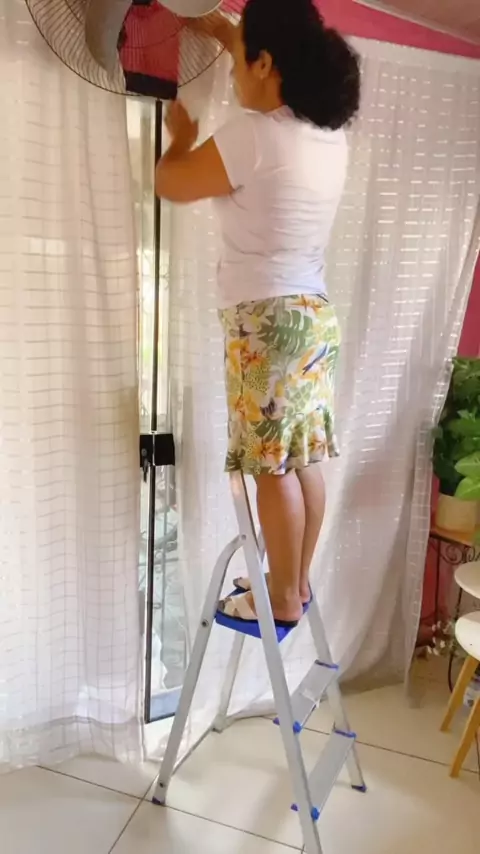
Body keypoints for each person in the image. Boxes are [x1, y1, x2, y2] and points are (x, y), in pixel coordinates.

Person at [156, 0, 361, 629]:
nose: (234, 70)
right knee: (303, 458)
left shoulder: (251, 135)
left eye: (241, 56)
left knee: (272, 469)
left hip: (265, 326)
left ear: (267, 64)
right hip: (312, 318)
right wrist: (228, 31)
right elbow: (265, 73)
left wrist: (181, 140)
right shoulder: (327, 136)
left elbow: (172, 184)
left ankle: (283, 597)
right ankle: (293, 579)